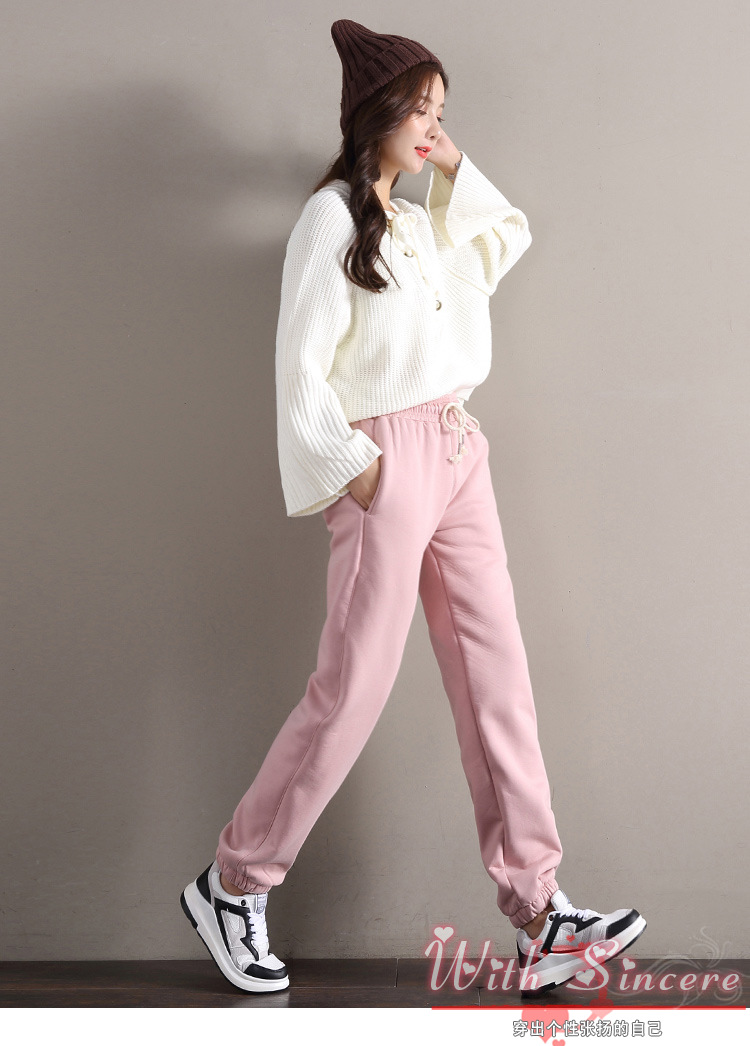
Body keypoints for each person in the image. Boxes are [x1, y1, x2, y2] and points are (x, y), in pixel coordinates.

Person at [180, 19, 647, 996]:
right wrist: (358, 469)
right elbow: (299, 365)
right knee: (353, 686)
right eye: (421, 109)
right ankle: (234, 881)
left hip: (459, 450)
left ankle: (541, 913)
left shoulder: (426, 223)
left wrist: (452, 161)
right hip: (387, 460)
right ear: (376, 114)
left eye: (442, 109)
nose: (435, 125)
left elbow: (506, 232)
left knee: (497, 677)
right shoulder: (330, 220)